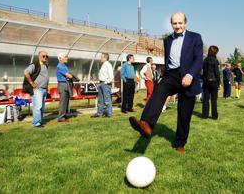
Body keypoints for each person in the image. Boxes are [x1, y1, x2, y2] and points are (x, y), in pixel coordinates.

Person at [129, 12, 203, 154]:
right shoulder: (167, 40)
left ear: (185, 23)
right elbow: (168, 59)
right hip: (172, 75)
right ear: (171, 24)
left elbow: (198, 59)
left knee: (184, 113)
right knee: (159, 91)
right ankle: (146, 124)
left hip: (189, 76)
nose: (177, 26)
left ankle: (180, 143)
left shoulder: (195, 37)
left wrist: (190, 75)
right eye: (174, 23)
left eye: (180, 23)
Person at [23, 51, 49, 127]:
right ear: (39, 56)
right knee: (38, 106)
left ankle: (39, 122)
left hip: (44, 89)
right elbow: (26, 72)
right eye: (43, 56)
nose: (45, 57)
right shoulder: (34, 65)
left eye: (47, 56)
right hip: (37, 89)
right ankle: (36, 123)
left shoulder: (45, 65)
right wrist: (31, 83)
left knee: (42, 107)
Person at [92, 53, 114, 118]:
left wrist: (106, 82)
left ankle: (109, 114)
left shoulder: (108, 65)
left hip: (105, 84)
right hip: (101, 83)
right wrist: (100, 83)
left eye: (101, 57)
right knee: (100, 100)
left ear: (105, 58)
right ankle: (99, 113)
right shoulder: (103, 65)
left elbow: (111, 76)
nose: (100, 58)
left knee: (107, 99)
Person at [202, 45, 221, 119]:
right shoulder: (215, 61)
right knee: (214, 100)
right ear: (215, 52)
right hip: (214, 82)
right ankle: (214, 116)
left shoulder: (205, 60)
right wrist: (219, 82)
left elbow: (202, 71)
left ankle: (204, 115)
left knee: (205, 100)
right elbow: (217, 73)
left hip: (206, 82)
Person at [56, 53, 73, 122]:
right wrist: (69, 76)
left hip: (65, 84)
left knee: (65, 101)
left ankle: (63, 116)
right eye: (65, 57)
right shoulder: (60, 66)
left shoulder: (64, 66)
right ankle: (61, 117)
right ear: (60, 58)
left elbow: (69, 75)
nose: (67, 58)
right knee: (63, 102)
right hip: (63, 85)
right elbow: (70, 76)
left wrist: (69, 76)